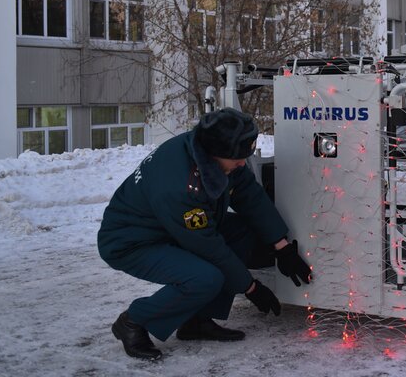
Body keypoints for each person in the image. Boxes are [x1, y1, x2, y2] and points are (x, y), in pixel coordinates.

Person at [98, 108, 312, 360]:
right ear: (217, 153)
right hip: (132, 242)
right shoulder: (180, 187)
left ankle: (196, 320)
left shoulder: (210, 147)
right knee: (204, 278)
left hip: (172, 228)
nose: (243, 163)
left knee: (243, 233)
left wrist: (281, 245)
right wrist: (251, 287)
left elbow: (248, 194)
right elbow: (211, 249)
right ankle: (133, 321)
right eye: (238, 157)